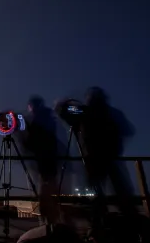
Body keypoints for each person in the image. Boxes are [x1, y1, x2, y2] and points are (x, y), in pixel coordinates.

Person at [77, 87, 137, 223]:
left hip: (95, 159)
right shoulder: (112, 113)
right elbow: (128, 130)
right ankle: (129, 217)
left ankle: (100, 220)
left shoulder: (84, 112)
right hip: (110, 158)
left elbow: (64, 110)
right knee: (119, 189)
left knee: (97, 190)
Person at [18, 95, 63, 226]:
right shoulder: (51, 119)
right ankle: (54, 223)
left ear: (31, 106)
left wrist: (21, 127)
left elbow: (28, 141)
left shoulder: (34, 122)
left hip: (40, 161)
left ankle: (47, 224)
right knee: (52, 191)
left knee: (43, 193)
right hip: (51, 160)